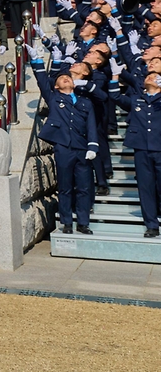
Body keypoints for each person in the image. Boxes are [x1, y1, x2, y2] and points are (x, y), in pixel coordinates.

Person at [28, 44, 98, 235]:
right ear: (57, 86)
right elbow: (43, 81)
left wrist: (93, 145)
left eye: (68, 78)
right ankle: (67, 222)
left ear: (74, 84)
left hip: (82, 149)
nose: (66, 78)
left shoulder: (85, 102)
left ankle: (83, 222)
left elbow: (91, 125)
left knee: (83, 188)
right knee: (65, 187)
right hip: (63, 148)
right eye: (61, 78)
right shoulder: (54, 98)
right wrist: (37, 61)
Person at [108, 72, 161, 238]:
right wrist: (115, 76)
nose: (150, 78)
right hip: (142, 149)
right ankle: (151, 224)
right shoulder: (137, 98)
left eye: (155, 77)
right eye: (148, 76)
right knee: (145, 188)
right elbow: (115, 96)